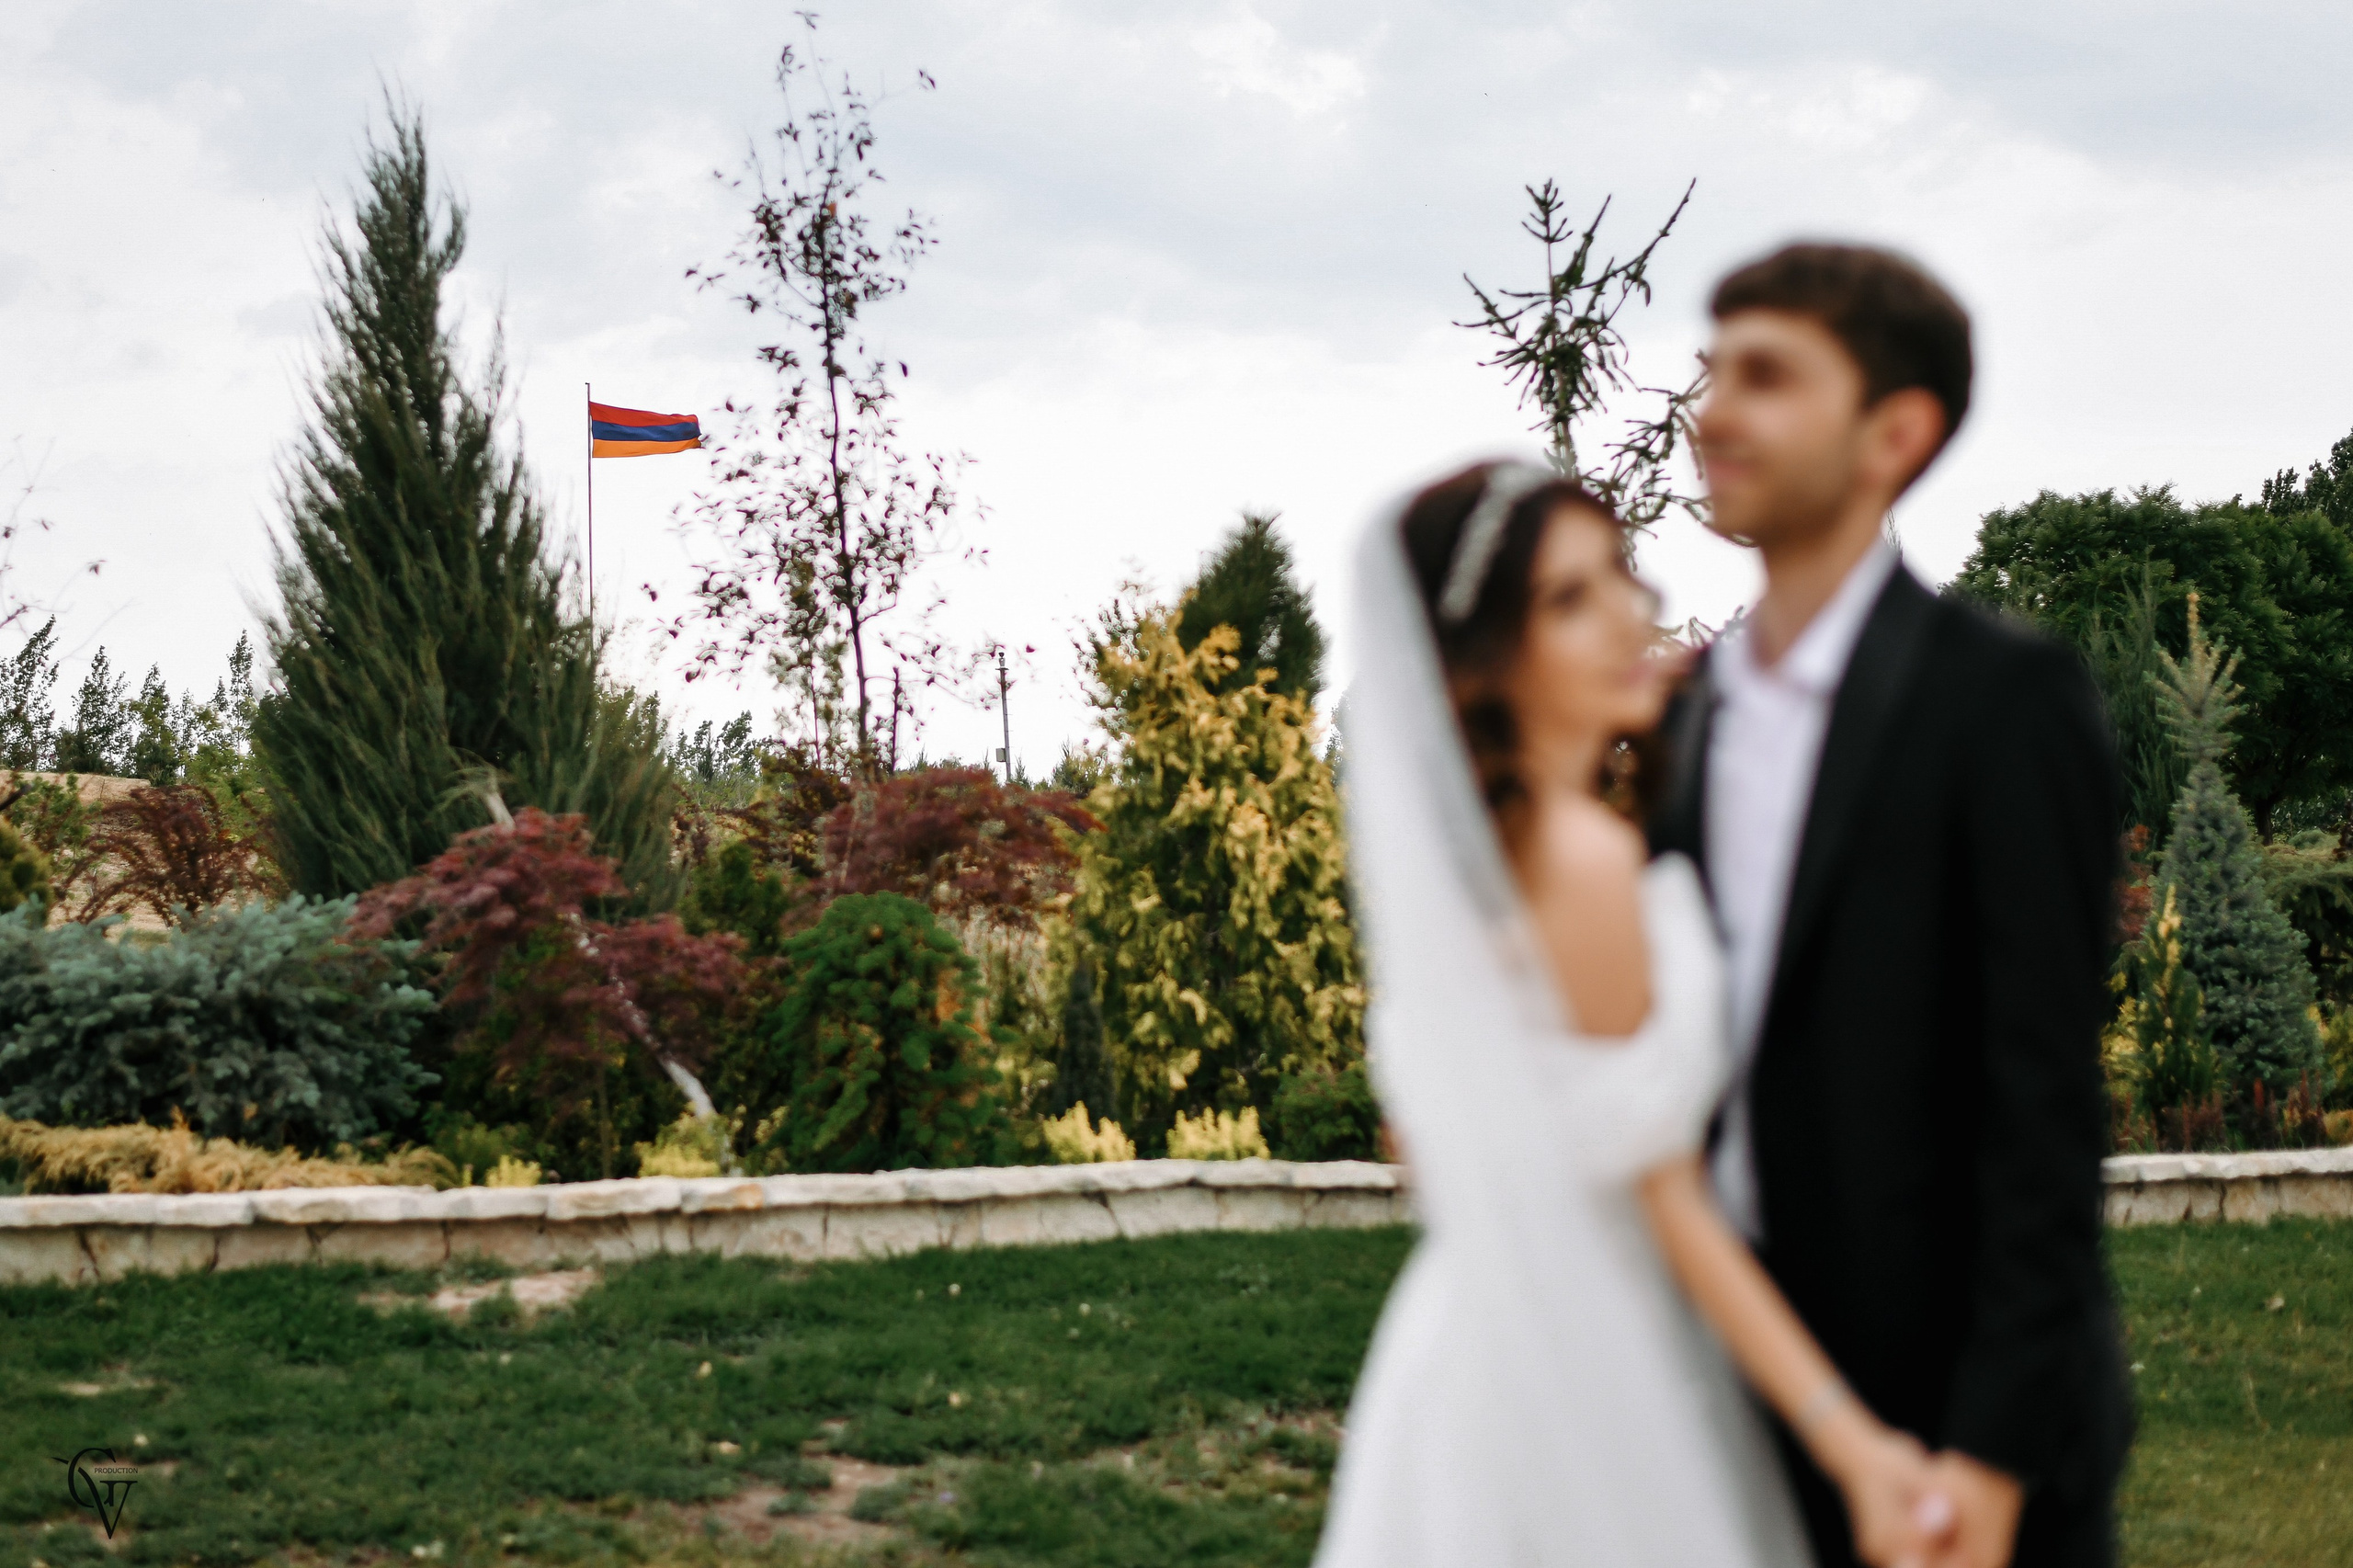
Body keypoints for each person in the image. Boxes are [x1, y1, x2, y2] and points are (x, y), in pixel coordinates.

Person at [1318, 461, 1950, 1567]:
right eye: (1568, 600)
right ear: (1482, 662)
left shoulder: (1482, 875)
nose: (1628, 611)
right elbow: (1673, 1205)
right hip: (1588, 1368)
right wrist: (1851, 1442)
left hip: (1460, 1353)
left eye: (1616, 572)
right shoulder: (1582, 864)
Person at [1649, 243, 2131, 1568]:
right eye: (1712, 367)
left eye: (1766, 375)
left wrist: (1990, 1452)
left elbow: (2044, 1112)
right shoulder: (1690, 716)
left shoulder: (2003, 698)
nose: (1713, 410)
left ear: (1894, 433)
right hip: (1746, 1392)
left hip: (1959, 1424)